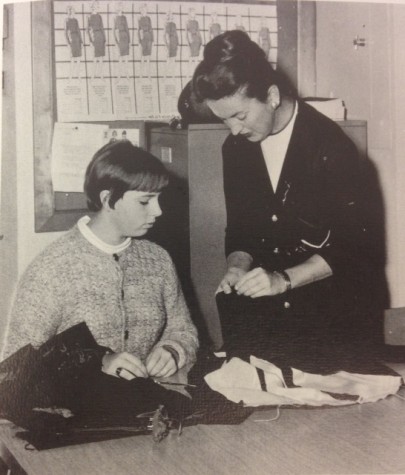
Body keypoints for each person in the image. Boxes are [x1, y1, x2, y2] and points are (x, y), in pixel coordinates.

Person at [192, 30, 383, 367]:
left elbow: (355, 248)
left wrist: (283, 280)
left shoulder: (331, 148)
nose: (234, 131)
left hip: (333, 314)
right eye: (224, 121)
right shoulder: (236, 148)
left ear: (272, 95)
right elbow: (241, 227)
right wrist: (237, 267)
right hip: (271, 315)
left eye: (240, 116)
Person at [1, 141, 199, 379]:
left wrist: (173, 350)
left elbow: (183, 330)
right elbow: (14, 368)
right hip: (76, 410)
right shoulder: (53, 268)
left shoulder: (158, 260)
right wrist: (97, 362)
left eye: (158, 199)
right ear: (108, 199)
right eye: (145, 201)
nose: (158, 211)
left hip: (146, 406)